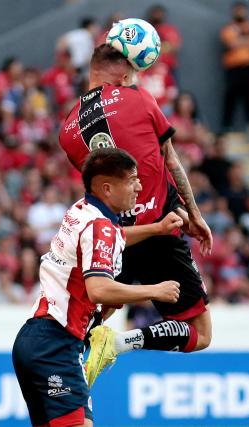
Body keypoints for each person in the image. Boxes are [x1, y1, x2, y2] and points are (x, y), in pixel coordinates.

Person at [58, 43, 213, 378]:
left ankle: (64, 363)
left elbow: (101, 190)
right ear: (124, 73)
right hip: (158, 229)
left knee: (100, 309)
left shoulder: (68, 131)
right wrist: (194, 215)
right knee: (200, 334)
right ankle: (119, 343)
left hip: (114, 237)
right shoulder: (139, 98)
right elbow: (168, 160)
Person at [12, 148, 185, 427]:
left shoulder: (83, 210)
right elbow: (99, 290)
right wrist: (154, 290)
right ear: (107, 187)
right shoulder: (99, 227)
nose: (139, 187)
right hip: (56, 344)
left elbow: (112, 236)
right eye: (131, 180)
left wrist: (157, 228)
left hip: (37, 339)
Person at [220, 1, 249, 130]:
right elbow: (231, 44)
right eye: (237, 10)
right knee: (230, 99)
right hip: (233, 69)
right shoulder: (228, 28)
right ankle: (226, 128)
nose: (239, 13)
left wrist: (240, 39)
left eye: (242, 10)